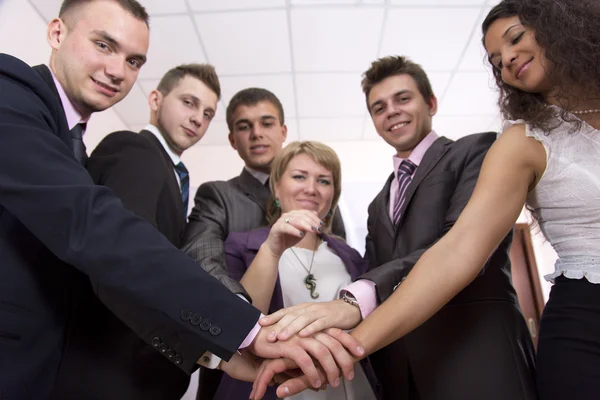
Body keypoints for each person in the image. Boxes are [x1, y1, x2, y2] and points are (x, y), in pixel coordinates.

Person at [0, 0, 361, 397]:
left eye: (134, 61)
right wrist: (242, 329)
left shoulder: (75, 146)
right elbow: (105, 236)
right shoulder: (15, 93)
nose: (118, 70)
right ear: (57, 33)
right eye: (104, 45)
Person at [253, 0, 600, 399]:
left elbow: (455, 249)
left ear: (430, 104)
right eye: (378, 108)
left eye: (403, 99)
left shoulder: (480, 150)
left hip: (478, 359)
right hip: (404, 369)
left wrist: (356, 301)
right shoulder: (376, 202)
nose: (392, 113)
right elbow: (388, 267)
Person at [50, 64, 220, 399]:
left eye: (208, 112)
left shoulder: (171, 173)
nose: (198, 117)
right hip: (109, 370)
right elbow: (125, 264)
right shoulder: (133, 149)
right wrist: (199, 347)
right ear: (155, 99)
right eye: (188, 102)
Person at [181, 88, 346, 399]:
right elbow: (202, 263)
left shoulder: (319, 204)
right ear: (232, 139)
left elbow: (339, 259)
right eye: (244, 126)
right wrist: (245, 328)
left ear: (282, 131)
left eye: (266, 123)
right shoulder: (219, 195)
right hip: (240, 360)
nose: (256, 134)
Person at [214, 141, 379, 400]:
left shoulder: (350, 256)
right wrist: (272, 249)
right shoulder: (240, 245)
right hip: (272, 385)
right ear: (277, 188)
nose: (311, 188)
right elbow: (236, 328)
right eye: (299, 176)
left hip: (347, 385)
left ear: (333, 196)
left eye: (324, 181)